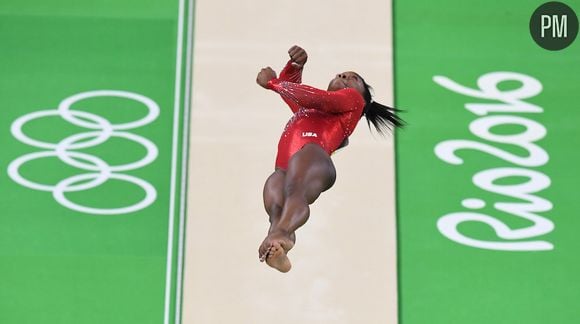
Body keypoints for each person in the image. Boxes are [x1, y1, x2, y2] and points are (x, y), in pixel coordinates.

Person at [256, 45, 403, 272]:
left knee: (295, 185)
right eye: (342, 74)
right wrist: (295, 65)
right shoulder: (308, 110)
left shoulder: (353, 102)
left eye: (354, 79)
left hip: (314, 158)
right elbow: (296, 92)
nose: (344, 76)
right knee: (275, 188)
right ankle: (280, 246)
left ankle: (280, 234)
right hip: (291, 165)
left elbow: (316, 98)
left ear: (361, 97)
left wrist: (273, 83)